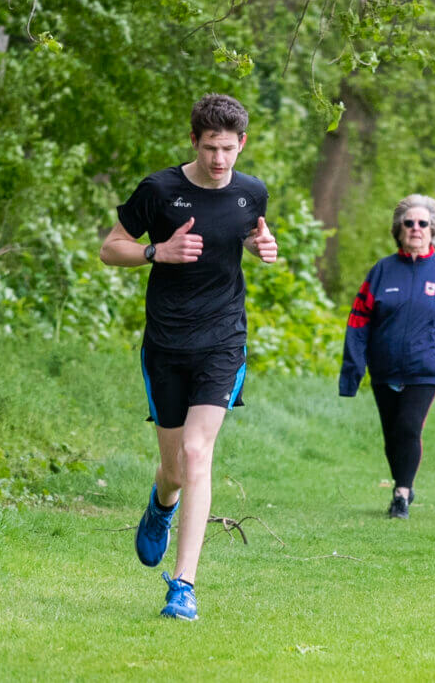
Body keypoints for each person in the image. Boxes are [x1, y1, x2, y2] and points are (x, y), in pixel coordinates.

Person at [99, 94, 278, 621]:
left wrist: (260, 246)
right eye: (209, 149)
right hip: (167, 345)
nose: (220, 160)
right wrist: (158, 251)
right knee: (175, 467)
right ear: (194, 141)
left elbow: (247, 233)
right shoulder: (160, 190)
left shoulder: (251, 193)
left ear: (242, 142)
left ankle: (183, 585)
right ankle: (162, 503)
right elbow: (112, 247)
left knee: (200, 456)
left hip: (224, 340)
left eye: (228, 149)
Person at [339, 195, 435, 520]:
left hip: (426, 368)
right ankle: (403, 482)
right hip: (384, 368)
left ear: (433, 230)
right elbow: (358, 323)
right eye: (409, 223)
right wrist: (352, 373)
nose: (416, 229)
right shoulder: (382, 271)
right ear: (398, 229)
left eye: (423, 224)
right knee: (392, 436)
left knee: (407, 427)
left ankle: (401, 493)